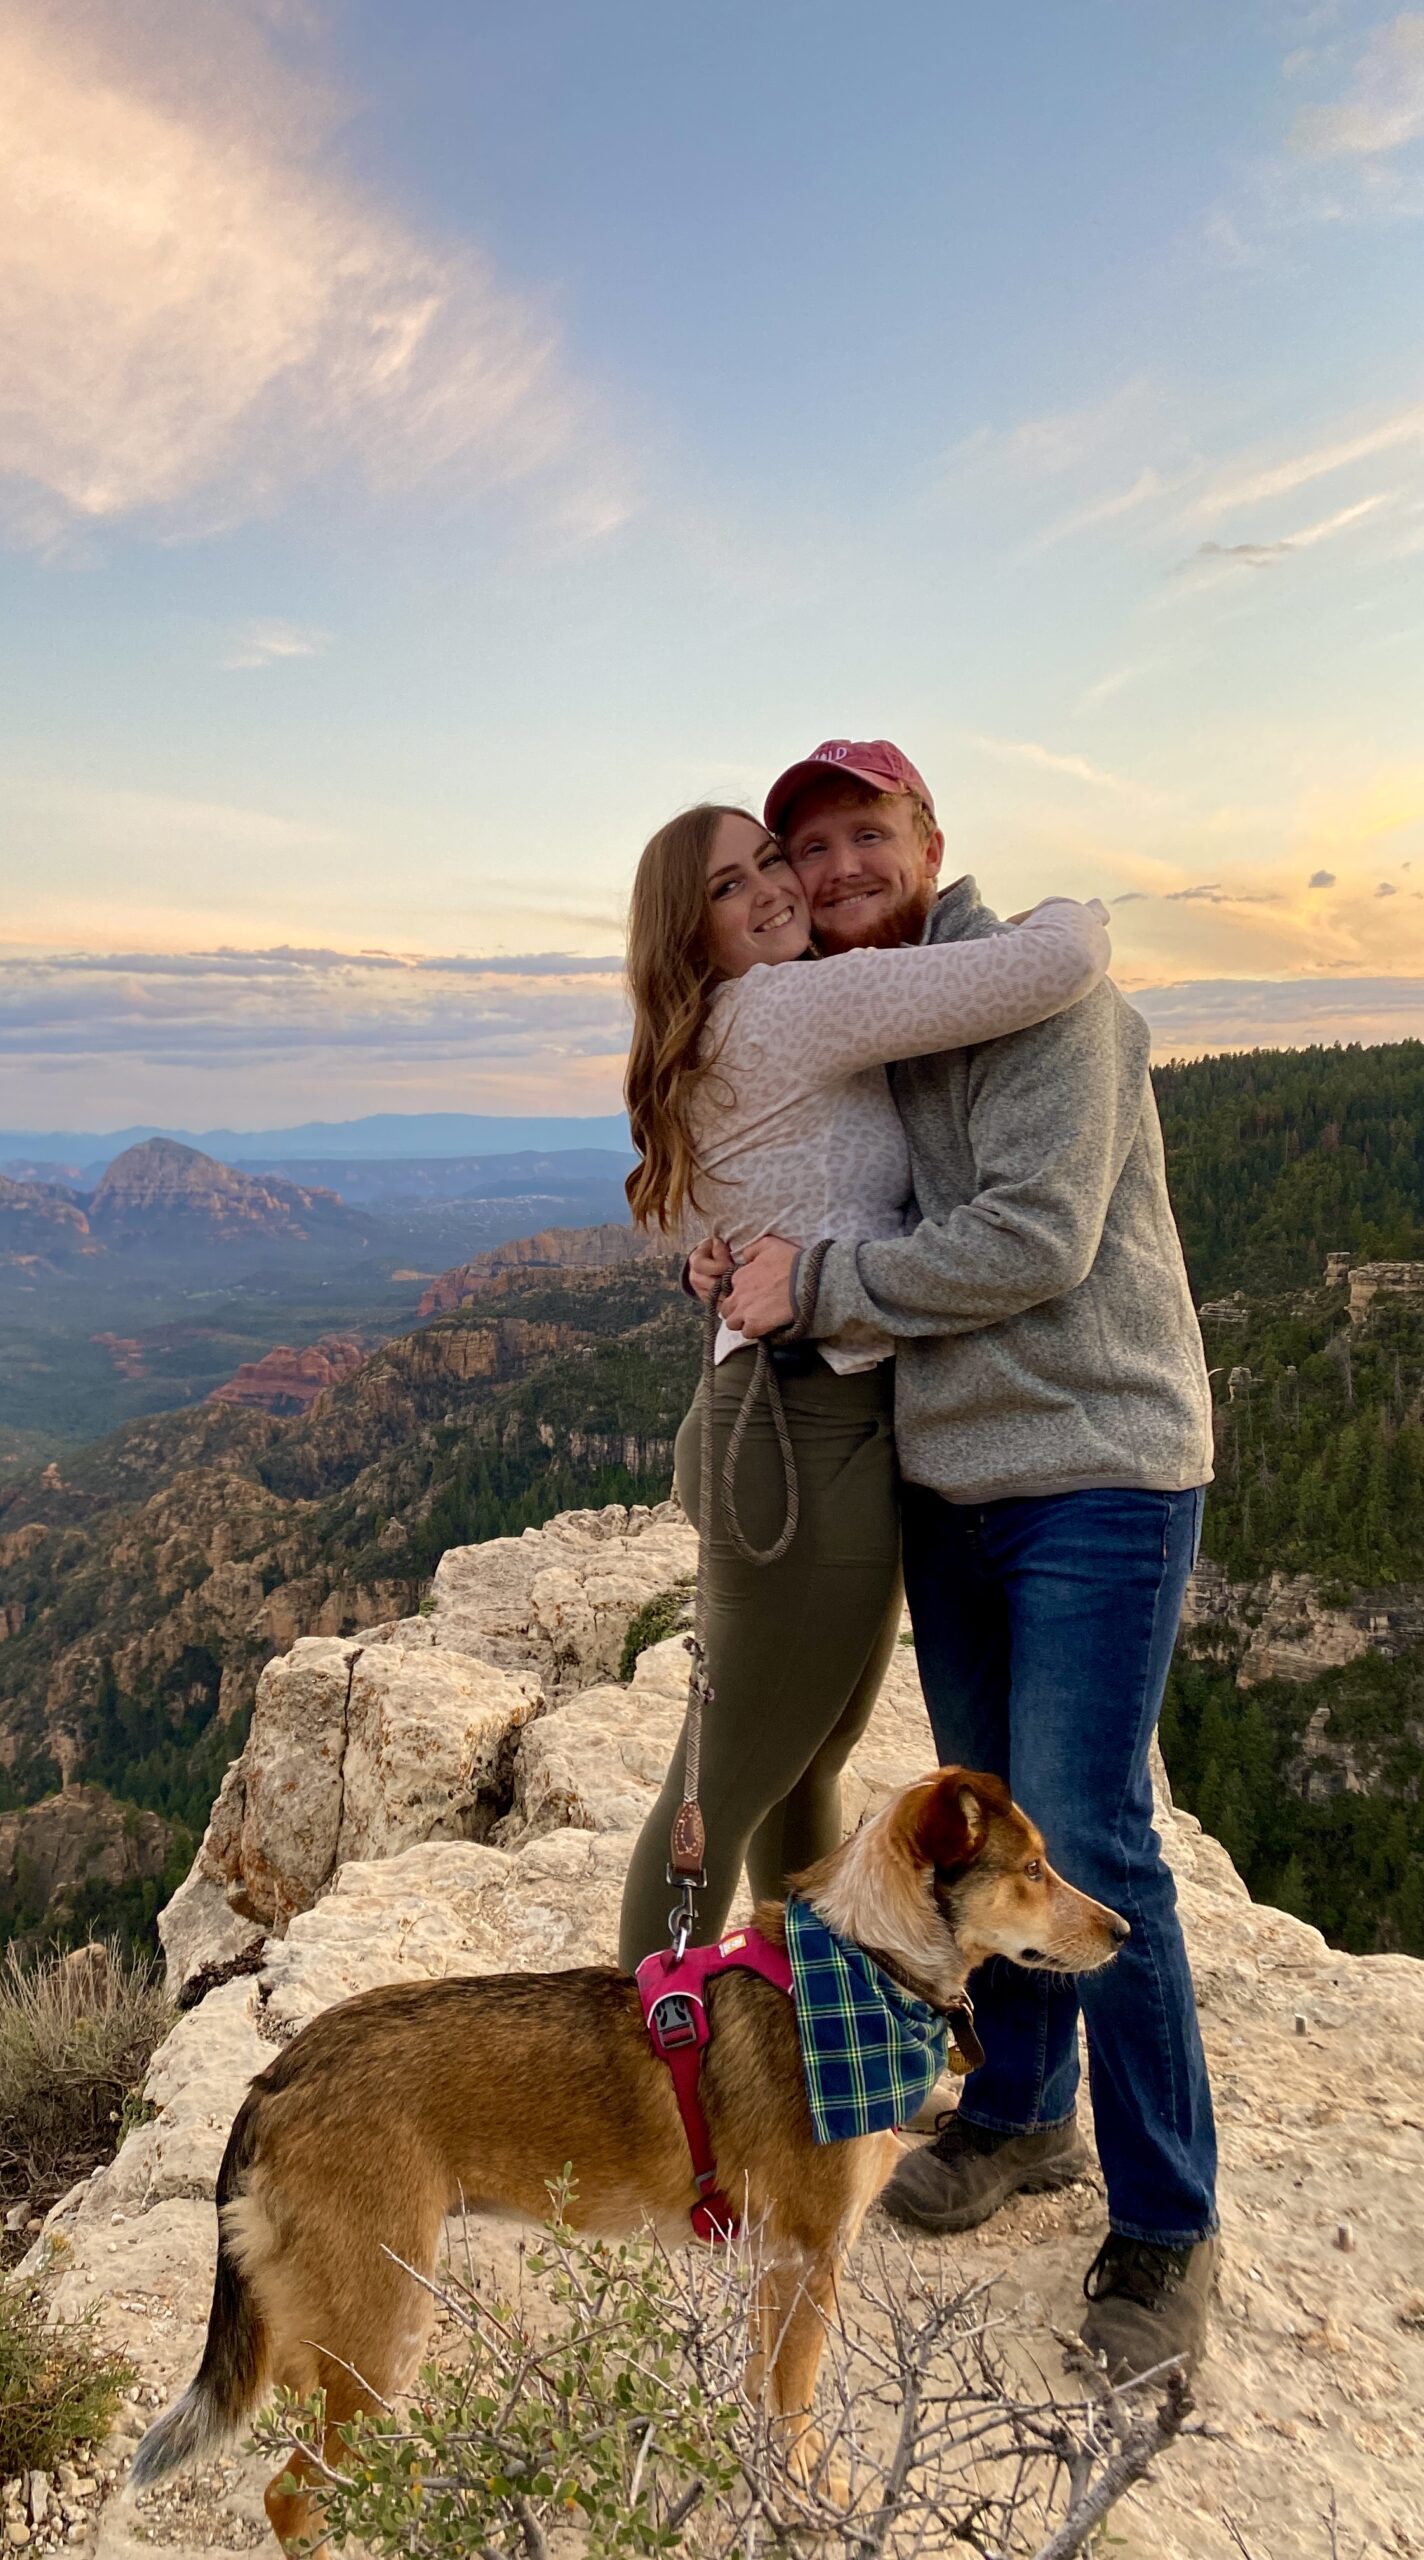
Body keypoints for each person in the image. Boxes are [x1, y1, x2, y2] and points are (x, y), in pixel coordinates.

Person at [731, 738, 1219, 2387]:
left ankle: (1167, 2229)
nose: (840, 865)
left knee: (1089, 1836)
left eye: (868, 832)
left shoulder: (1041, 1004)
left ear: (930, 841)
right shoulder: (883, 1023)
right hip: (956, 1487)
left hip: (1097, 1467)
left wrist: (816, 1292)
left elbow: (1034, 1240)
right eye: (811, 846)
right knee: (989, 1825)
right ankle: (1020, 2115)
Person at [614, 797, 1111, 1982]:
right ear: (693, 934)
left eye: (769, 859)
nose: (776, 887)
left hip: (786, 1417)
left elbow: (701, 1225)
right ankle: (647, 2055)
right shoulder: (788, 1006)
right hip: (804, 1426)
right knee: (728, 1771)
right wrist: (1080, 915)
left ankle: (798, 2021)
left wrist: (716, 1260)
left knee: (805, 1759)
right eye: (731, 886)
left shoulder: (717, 1030)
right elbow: (1052, 967)